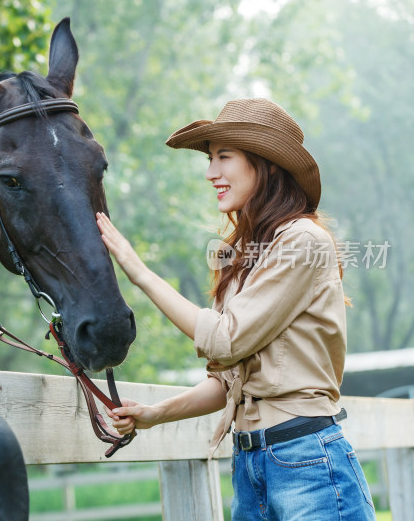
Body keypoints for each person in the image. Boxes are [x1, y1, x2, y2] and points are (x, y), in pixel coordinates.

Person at [96, 98, 375, 520]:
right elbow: (228, 382)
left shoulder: (303, 242)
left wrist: (138, 271)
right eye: (210, 159)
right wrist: (155, 415)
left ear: (264, 164)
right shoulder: (240, 257)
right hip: (249, 469)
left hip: (307, 465)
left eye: (223, 157)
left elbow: (225, 340)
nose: (211, 173)